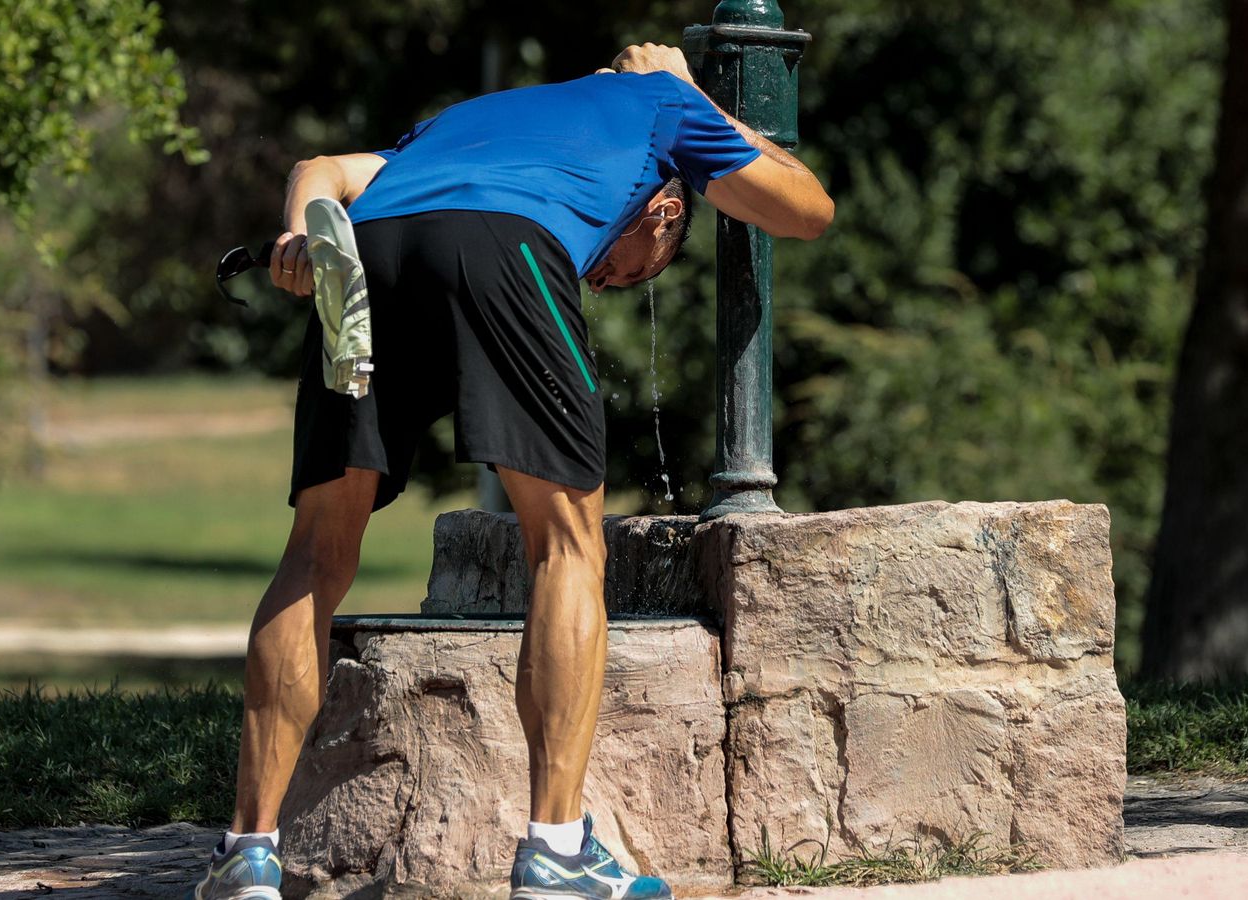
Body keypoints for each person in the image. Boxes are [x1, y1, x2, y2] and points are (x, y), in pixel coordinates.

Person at [191, 42, 833, 900]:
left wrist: (305, 230)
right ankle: (558, 849)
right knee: (567, 548)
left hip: (373, 250)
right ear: (666, 215)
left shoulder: (463, 118)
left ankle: (247, 852)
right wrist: (688, 93)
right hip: (507, 246)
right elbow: (807, 209)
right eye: (629, 271)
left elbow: (323, 169)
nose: (605, 280)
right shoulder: (664, 109)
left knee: (314, 554)